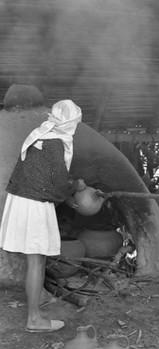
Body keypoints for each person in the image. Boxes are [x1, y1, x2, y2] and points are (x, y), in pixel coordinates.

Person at [0, 99, 86, 333]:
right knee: (37, 261)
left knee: (34, 260)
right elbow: (56, 185)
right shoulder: (56, 142)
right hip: (35, 205)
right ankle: (34, 320)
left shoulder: (40, 135)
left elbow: (44, 176)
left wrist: (66, 192)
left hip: (21, 201)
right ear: (70, 122)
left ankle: (35, 305)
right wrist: (75, 186)